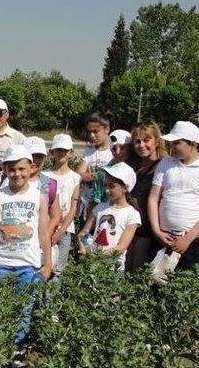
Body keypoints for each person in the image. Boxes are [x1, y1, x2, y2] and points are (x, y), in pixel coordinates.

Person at [0, 144, 51, 364]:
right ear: (4, 169)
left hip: (28, 264)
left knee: (24, 310)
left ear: (32, 167)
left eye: (22, 169)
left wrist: (48, 263)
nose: (17, 174)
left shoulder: (39, 196)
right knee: (1, 308)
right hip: (2, 263)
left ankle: (17, 351)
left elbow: (44, 232)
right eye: (12, 169)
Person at [148, 121, 199, 270]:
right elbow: (153, 198)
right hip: (163, 238)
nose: (172, 147)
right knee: (153, 285)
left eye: (177, 143)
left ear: (192, 144)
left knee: (184, 286)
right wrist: (157, 231)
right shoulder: (165, 164)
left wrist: (187, 239)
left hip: (192, 242)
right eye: (171, 143)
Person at [77, 162, 141, 271]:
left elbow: (121, 248)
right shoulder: (99, 208)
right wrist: (83, 247)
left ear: (125, 188)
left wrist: (96, 256)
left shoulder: (132, 214)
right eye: (106, 185)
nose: (106, 190)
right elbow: (83, 233)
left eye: (111, 186)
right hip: (93, 265)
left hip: (114, 269)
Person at [124, 122, 169, 273]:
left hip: (147, 233)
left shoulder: (163, 166)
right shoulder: (132, 166)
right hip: (128, 229)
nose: (141, 145)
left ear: (157, 141)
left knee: (138, 275)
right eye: (137, 141)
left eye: (146, 140)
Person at [44, 133, 81, 276]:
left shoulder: (75, 177)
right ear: (52, 152)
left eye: (64, 150)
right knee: (43, 264)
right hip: (46, 227)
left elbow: (73, 206)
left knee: (59, 269)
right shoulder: (45, 175)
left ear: (71, 153)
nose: (61, 154)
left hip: (65, 229)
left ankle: (52, 298)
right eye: (58, 150)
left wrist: (61, 230)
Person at [76, 112, 114, 221]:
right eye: (89, 132)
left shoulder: (114, 150)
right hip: (88, 205)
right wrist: (99, 175)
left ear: (107, 129)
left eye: (95, 131)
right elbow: (78, 175)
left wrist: (90, 175)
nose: (92, 135)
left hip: (107, 205)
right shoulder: (89, 151)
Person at [90, 129, 138, 208]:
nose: (118, 152)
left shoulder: (139, 168)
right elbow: (95, 202)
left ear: (131, 148)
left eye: (122, 148)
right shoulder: (103, 173)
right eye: (114, 149)